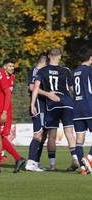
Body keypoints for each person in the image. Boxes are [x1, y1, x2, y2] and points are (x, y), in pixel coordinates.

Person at [31, 48, 78, 172]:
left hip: (53, 104)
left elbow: (35, 88)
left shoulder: (42, 70)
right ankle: (75, 158)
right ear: (60, 57)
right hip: (67, 103)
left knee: (52, 135)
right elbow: (72, 88)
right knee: (69, 133)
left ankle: (52, 165)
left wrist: (32, 104)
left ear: (48, 57)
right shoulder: (66, 70)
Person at [71, 47, 92, 175]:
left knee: (79, 139)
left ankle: (83, 168)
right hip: (89, 106)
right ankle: (88, 159)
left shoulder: (75, 72)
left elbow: (72, 89)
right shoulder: (89, 71)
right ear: (90, 58)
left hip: (77, 108)